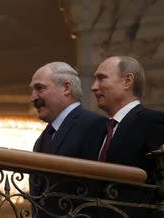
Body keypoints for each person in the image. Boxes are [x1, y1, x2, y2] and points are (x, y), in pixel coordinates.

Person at [29, 62, 107, 218]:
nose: (33, 98)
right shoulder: (42, 139)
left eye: (40, 88)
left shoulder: (94, 125)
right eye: (32, 90)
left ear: (66, 88)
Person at [90, 55, 164, 217]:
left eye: (101, 78)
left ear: (127, 81)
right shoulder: (102, 130)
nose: (93, 87)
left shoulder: (153, 122)